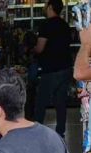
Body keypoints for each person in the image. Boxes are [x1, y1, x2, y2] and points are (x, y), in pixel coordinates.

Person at [33, 0, 73, 137]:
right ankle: (60, 132)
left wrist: (31, 49)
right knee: (60, 102)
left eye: (45, 5)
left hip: (51, 70)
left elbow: (40, 48)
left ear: (50, 7)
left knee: (41, 102)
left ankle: (36, 131)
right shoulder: (65, 25)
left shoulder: (46, 25)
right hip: (66, 68)